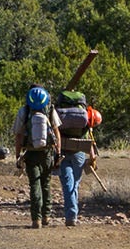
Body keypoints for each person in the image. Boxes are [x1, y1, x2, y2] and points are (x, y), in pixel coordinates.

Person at [55, 89, 98, 226]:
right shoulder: (84, 116)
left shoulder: (59, 112)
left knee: (68, 184)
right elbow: (88, 137)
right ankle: (73, 214)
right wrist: (92, 157)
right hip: (79, 152)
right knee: (75, 185)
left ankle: (71, 215)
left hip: (63, 151)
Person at [18, 85, 56, 227]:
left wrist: (18, 154)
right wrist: (57, 152)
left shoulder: (25, 111)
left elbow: (18, 134)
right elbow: (56, 130)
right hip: (47, 153)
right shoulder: (50, 109)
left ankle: (36, 219)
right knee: (46, 184)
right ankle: (46, 216)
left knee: (35, 184)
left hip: (30, 152)